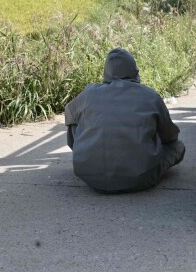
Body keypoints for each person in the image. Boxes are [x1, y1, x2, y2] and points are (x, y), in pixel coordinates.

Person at [64, 47, 185, 193]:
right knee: (177, 147)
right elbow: (170, 135)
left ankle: (89, 159)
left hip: (90, 178)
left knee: (73, 121)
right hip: (139, 178)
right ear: (134, 70)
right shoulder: (149, 96)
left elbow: (68, 114)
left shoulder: (88, 94)